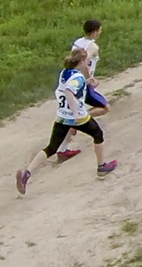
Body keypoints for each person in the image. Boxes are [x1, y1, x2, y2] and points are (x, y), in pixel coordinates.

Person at [16, 47, 116, 194]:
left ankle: (27, 172)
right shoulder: (77, 78)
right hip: (77, 117)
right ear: (81, 61)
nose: (88, 62)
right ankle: (101, 167)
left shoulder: (65, 73)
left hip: (61, 116)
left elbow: (69, 87)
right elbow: (70, 91)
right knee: (98, 135)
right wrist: (76, 113)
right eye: (86, 60)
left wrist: (88, 82)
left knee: (51, 148)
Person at [53, 19, 107, 161]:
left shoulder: (78, 42)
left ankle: (62, 149)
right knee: (104, 108)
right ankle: (80, 121)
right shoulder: (93, 47)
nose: (100, 32)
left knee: (73, 117)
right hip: (82, 84)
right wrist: (90, 79)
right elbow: (84, 62)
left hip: (73, 80)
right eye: (99, 30)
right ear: (95, 32)